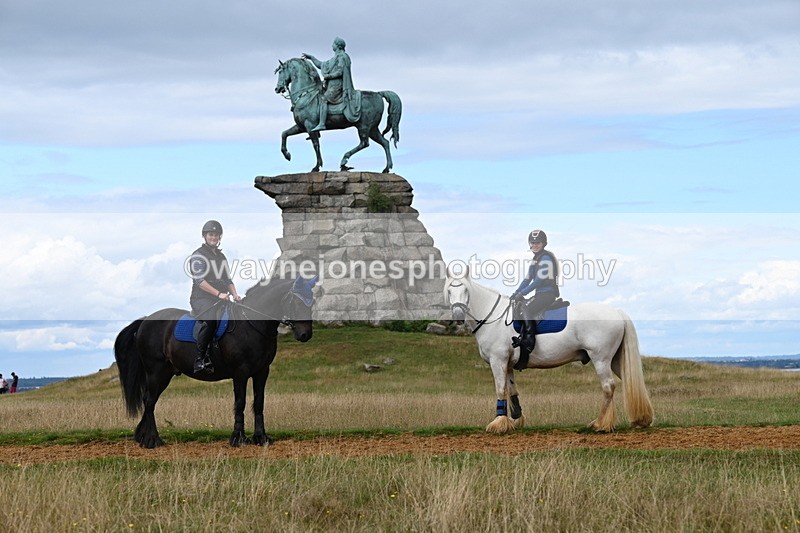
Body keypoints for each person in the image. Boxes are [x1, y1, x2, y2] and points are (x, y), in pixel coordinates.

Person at [189, 220, 242, 374]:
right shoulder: (198, 256)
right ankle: (200, 360)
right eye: (211, 234)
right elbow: (200, 281)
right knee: (211, 320)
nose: (213, 237)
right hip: (201, 299)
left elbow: (227, 280)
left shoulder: (221, 256)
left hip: (222, 298)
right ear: (205, 236)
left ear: (220, 237)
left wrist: (235, 294)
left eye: (216, 235)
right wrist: (219, 294)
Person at [510, 230, 560, 368]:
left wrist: (523, 293)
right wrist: (516, 292)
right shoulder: (535, 259)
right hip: (539, 294)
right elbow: (527, 279)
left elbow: (538, 280)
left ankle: (529, 340)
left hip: (547, 294)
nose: (535, 245)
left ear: (544, 243)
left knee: (526, 308)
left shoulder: (545, 258)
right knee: (521, 306)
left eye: (537, 243)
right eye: (532, 243)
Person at [302, 36, 362, 131]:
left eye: (333, 43)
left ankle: (322, 124)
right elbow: (321, 65)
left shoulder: (343, 57)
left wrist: (328, 76)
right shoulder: (334, 58)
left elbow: (340, 72)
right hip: (331, 85)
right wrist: (312, 58)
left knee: (323, 99)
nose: (332, 45)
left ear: (337, 45)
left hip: (337, 86)